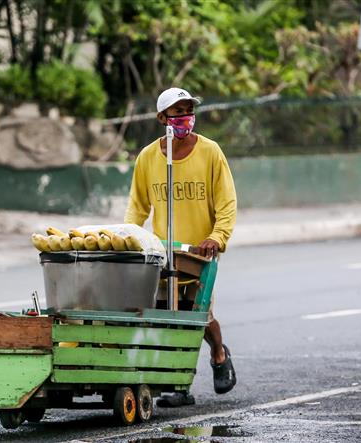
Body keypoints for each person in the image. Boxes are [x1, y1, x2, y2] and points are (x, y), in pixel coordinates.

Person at [124, 87, 237, 406]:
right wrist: (130, 238)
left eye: (189, 110)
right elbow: (137, 206)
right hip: (163, 251)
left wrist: (217, 237)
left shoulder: (211, 152)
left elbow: (227, 202)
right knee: (165, 313)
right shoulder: (148, 157)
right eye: (178, 112)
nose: (185, 117)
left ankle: (218, 353)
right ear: (162, 118)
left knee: (198, 313)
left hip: (200, 253)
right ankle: (179, 385)